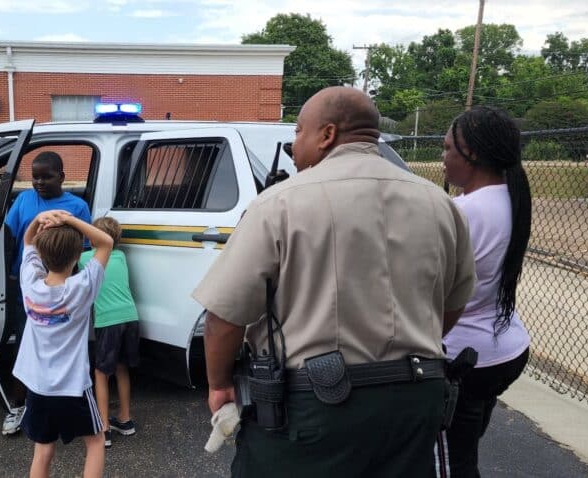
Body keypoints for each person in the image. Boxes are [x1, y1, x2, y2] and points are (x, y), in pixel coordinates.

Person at [193, 86, 476, 477]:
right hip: (417, 400)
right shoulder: (440, 204)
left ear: (326, 135)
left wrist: (219, 384)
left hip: (316, 409)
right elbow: (452, 305)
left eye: (298, 132)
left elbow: (224, 316)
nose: (294, 146)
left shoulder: (277, 204)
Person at [441, 107, 532, 477]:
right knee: (465, 447)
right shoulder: (511, 198)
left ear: (471, 154)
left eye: (447, 149)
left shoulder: (460, 210)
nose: (442, 159)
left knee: (450, 463)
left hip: (461, 358)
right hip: (504, 350)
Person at [12, 209, 112, 478]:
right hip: (72, 387)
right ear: (79, 256)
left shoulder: (30, 283)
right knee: (95, 441)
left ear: (43, 256)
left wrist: (40, 217)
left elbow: (28, 240)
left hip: (37, 385)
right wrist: (69, 220)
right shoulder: (82, 287)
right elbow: (106, 242)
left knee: (43, 451)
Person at [0, 151, 92, 435]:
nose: (38, 182)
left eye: (46, 176)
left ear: (62, 177)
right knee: (25, 347)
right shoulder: (25, 200)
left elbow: (86, 249)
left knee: (65, 351)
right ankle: (19, 405)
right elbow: (9, 235)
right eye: (35, 177)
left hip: (64, 293)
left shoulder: (77, 206)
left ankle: (63, 407)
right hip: (29, 288)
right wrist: (9, 274)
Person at [78, 217, 140, 449]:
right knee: (122, 368)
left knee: (101, 373)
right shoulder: (121, 256)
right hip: (131, 318)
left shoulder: (86, 258)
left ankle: (103, 427)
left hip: (108, 322)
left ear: (95, 238)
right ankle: (125, 419)